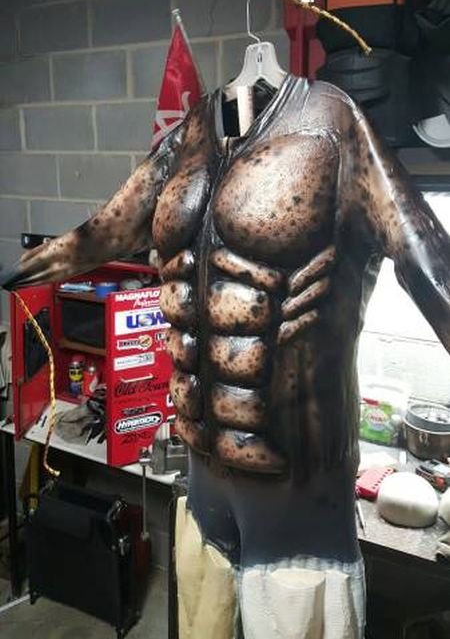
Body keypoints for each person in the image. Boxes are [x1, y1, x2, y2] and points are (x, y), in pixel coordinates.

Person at [3, 75, 450, 639]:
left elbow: (430, 265)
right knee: (201, 617)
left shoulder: (334, 124)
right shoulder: (189, 137)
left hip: (297, 486)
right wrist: (17, 271)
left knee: (297, 613)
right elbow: (101, 233)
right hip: (203, 472)